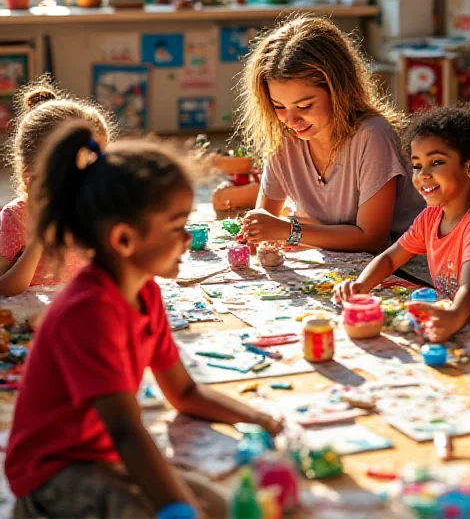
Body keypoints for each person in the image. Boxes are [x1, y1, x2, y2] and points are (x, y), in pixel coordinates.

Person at [6, 122, 282, 519]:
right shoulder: (88, 310)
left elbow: (184, 392)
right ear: (123, 240)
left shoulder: (146, 292)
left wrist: (259, 419)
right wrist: (177, 510)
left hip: (103, 456)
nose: (187, 239)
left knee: (218, 504)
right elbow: (125, 430)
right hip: (53, 475)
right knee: (167, 509)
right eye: (176, 227)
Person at [237, 15, 424, 254]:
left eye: (305, 106)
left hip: (403, 269)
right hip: (340, 268)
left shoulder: (372, 135)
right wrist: (261, 231)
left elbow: (373, 240)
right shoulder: (284, 138)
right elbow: (264, 225)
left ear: (339, 91)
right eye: (279, 106)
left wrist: (290, 230)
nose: (291, 120)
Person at [333, 105, 470, 342]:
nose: (423, 175)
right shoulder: (430, 217)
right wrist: (359, 286)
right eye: (417, 165)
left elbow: (468, 288)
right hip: (455, 323)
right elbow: (389, 259)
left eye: (436, 162)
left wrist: (453, 316)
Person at [0, 78, 112, 296]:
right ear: (31, 174)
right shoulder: (16, 217)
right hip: (30, 321)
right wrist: (40, 238)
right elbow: (4, 288)